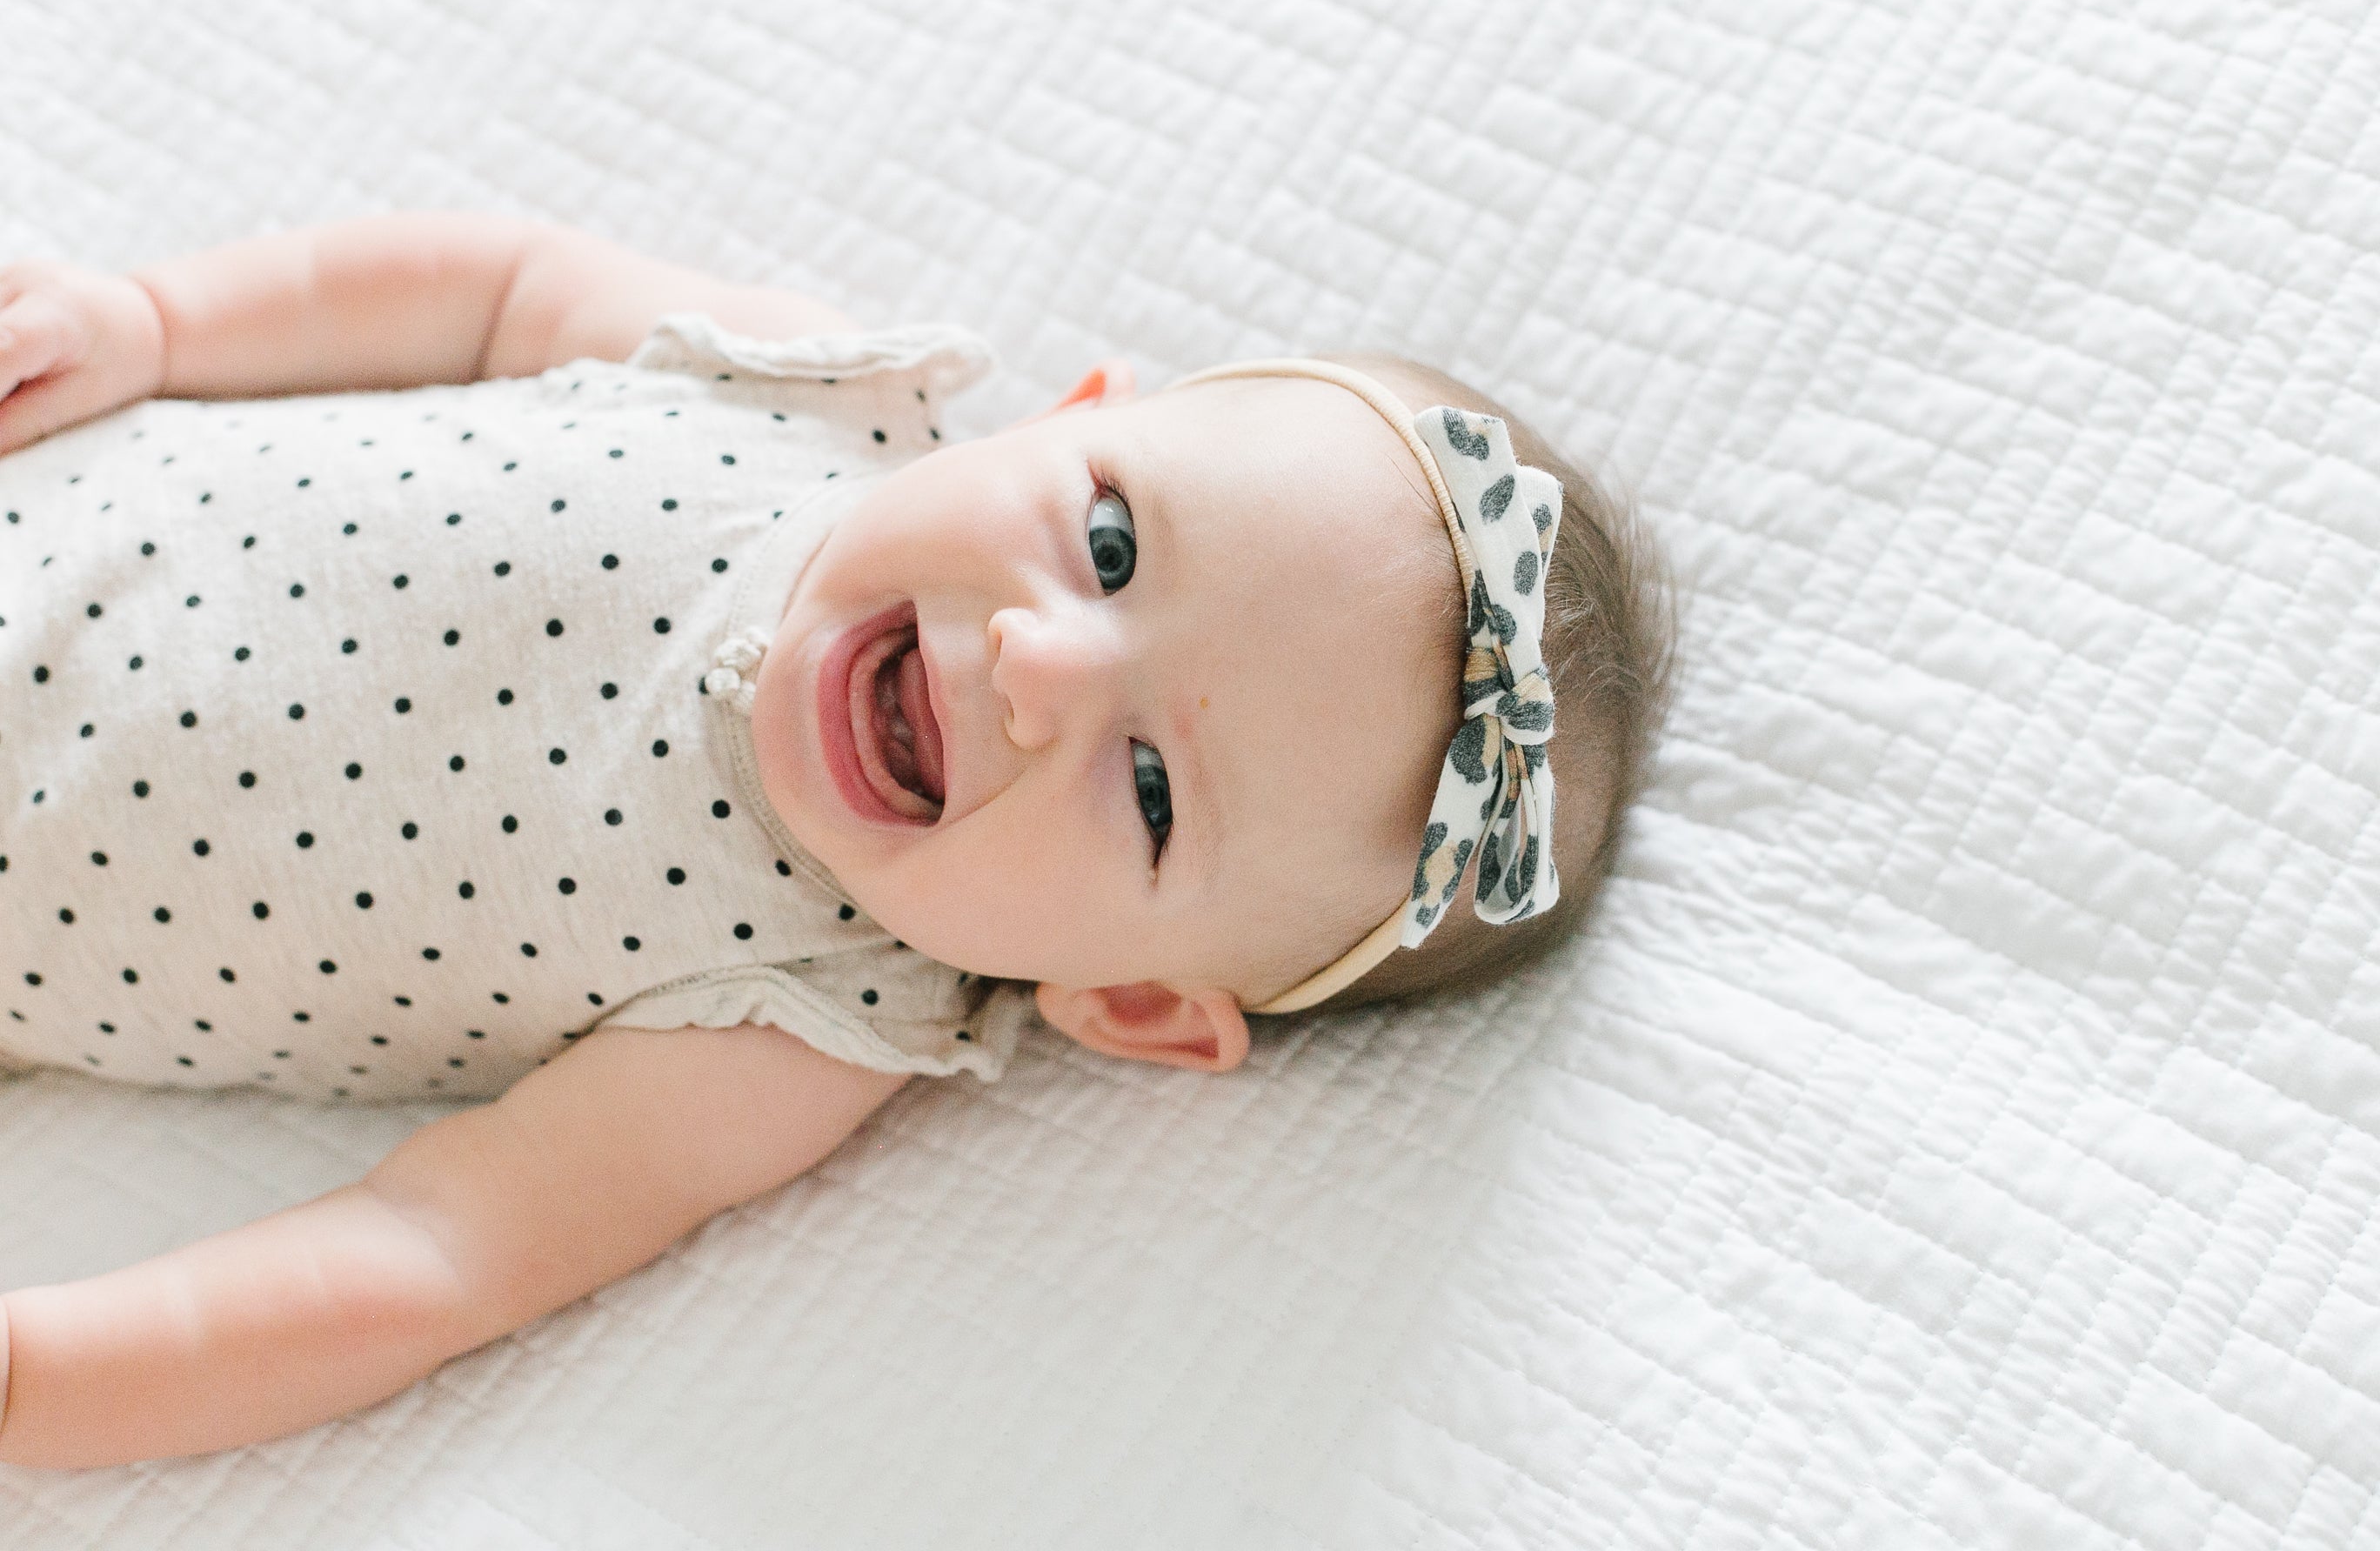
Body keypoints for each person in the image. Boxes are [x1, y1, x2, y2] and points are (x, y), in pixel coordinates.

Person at [0, 214, 1673, 1467]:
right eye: (1109, 541)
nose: (1036, 668)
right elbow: (491, 291)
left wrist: (54, 1378)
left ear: (1133, 1003)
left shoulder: (793, 1016)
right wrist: (154, 321)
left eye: (1155, 792)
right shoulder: (805, 393)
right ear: (1073, 407)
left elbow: (432, 1251)